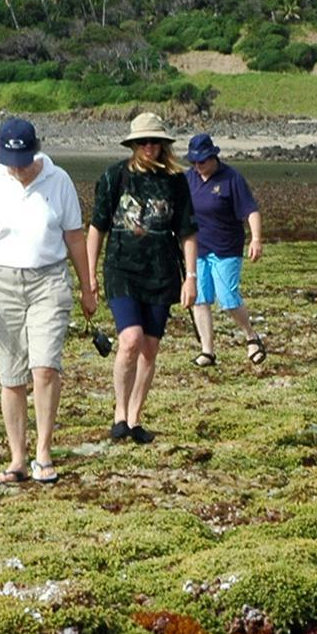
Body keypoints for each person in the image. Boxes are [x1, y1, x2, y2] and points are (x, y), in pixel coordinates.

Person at [0, 116, 97, 484]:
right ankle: (17, 458)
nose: (16, 169)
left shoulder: (58, 180)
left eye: (22, 161)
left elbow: (76, 237)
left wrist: (87, 286)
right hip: (1, 282)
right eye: (10, 161)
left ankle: (43, 452)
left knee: (45, 366)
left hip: (49, 279)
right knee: (12, 374)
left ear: (35, 151)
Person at [86, 112, 197, 444]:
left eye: (156, 142)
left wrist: (190, 277)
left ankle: (135, 419)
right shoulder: (114, 176)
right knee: (130, 340)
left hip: (163, 272)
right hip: (122, 269)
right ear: (133, 144)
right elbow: (97, 227)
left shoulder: (177, 181)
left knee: (150, 347)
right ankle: (119, 414)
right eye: (144, 141)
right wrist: (88, 275)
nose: (150, 147)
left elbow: (188, 232)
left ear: (164, 145)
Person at [182, 133, 265, 366]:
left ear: (213, 157)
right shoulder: (189, 179)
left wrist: (256, 239)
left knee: (227, 297)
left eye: (203, 162)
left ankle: (251, 337)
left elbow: (251, 210)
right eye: (194, 163)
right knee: (200, 298)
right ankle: (207, 350)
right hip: (198, 248)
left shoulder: (231, 179)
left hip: (226, 247)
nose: (199, 167)